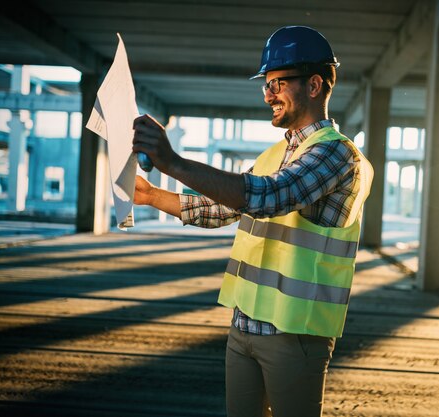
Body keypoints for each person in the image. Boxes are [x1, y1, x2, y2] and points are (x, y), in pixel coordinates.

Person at [132, 25, 373, 417]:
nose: (268, 94)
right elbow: (221, 208)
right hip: (244, 327)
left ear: (314, 85)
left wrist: (172, 162)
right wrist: (149, 195)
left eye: (278, 82)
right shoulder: (275, 154)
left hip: (294, 335)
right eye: (266, 84)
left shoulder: (337, 156)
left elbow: (267, 197)